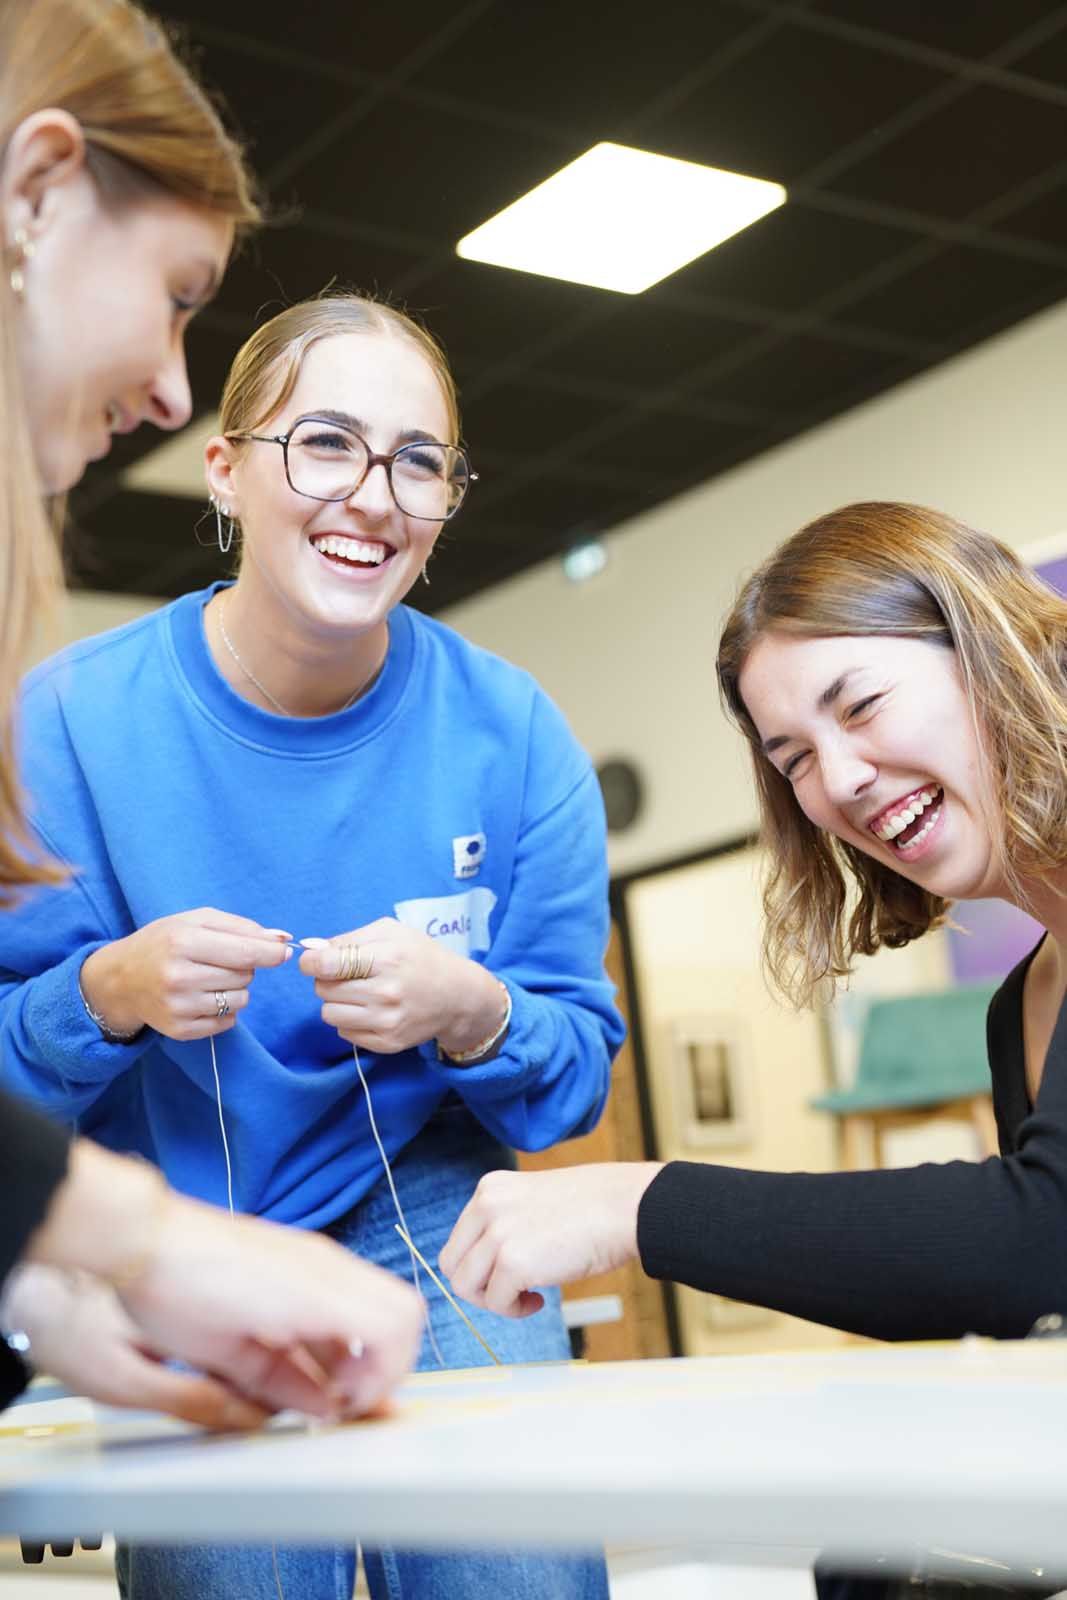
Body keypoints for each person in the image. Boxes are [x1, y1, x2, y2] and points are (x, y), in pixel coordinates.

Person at [0, 290, 624, 1598]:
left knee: (514, 1566)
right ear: (224, 470)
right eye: (326, 443)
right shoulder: (62, 728)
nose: (373, 498)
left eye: (417, 462)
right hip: (179, 1213)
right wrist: (101, 995)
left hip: (429, 1200)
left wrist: (473, 1012)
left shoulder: (511, 734)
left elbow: (570, 1077)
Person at [440, 501, 1067, 1598]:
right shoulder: (1022, 1004)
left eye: (859, 704)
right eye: (794, 759)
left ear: (985, 646)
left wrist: (636, 1204)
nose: (841, 781)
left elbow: (1038, 1241)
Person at [0, 0, 421, 1426]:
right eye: (178, 294)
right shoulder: (71, 715)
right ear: (37, 190)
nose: (174, 388)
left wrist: (41, 1294)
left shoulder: (503, 721)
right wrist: (135, 1238)